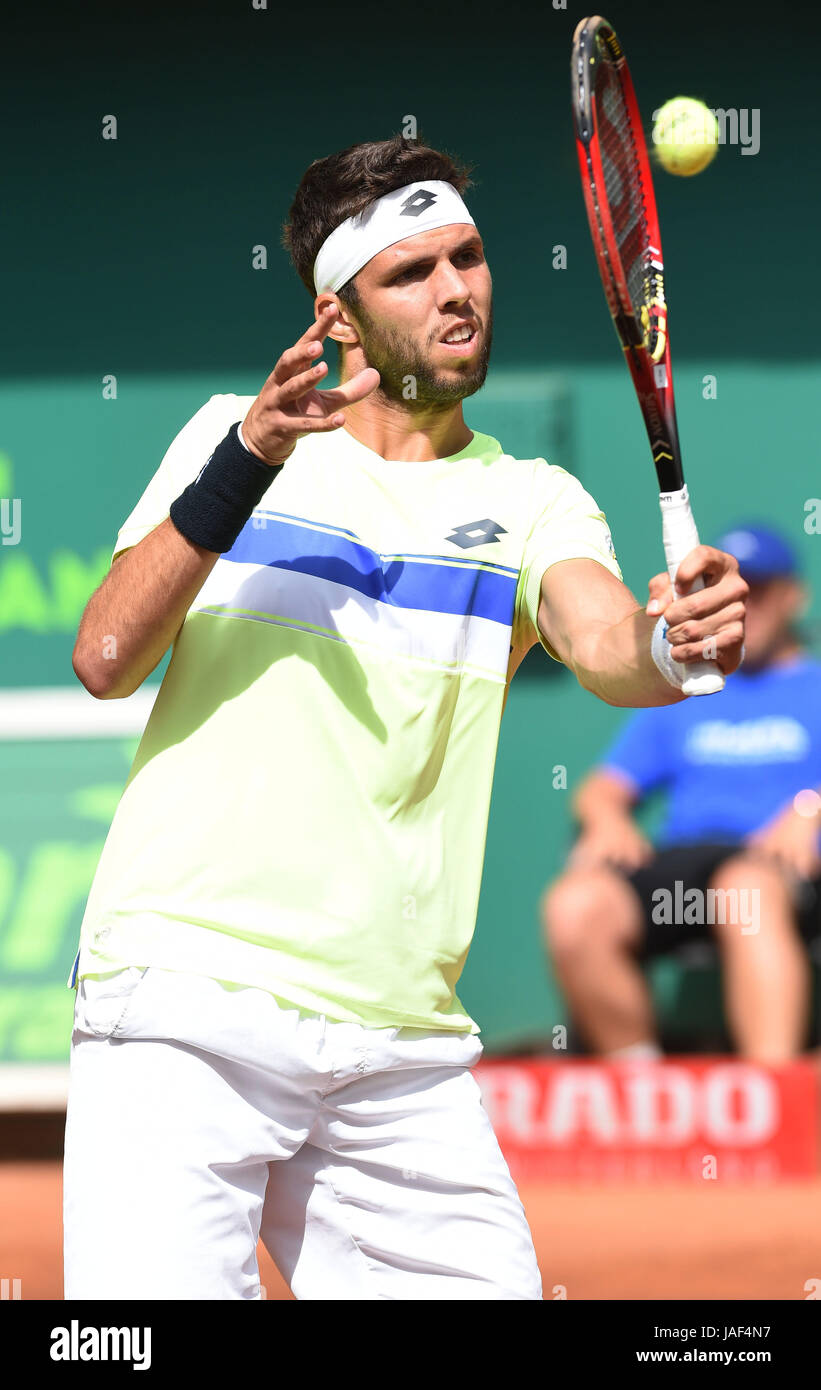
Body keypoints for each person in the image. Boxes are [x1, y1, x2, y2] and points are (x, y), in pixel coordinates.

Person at [66, 134, 746, 1300]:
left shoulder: (529, 500)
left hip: (396, 1046)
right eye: (412, 272)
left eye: (469, 259)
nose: (457, 292)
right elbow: (106, 655)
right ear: (336, 312)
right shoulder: (236, 436)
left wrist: (673, 642)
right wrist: (246, 463)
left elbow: (602, 645)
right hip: (183, 1004)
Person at [542, 524, 820, 1065]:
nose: (749, 605)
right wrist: (608, 821)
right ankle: (645, 1091)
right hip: (685, 867)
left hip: (780, 872)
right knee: (575, 906)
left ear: (794, 597)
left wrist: (809, 809)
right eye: (738, 591)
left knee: (745, 890)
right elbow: (603, 789)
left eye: (762, 591)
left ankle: (771, 1094)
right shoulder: (689, 682)